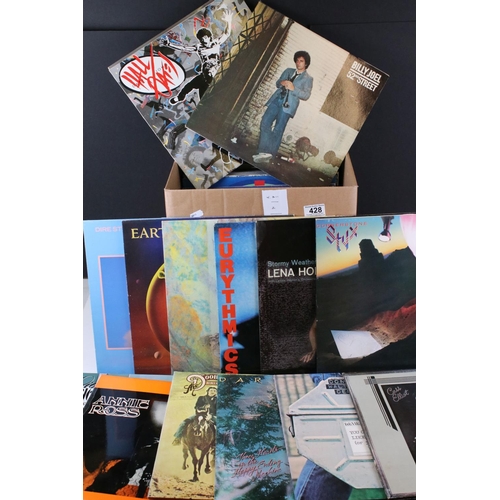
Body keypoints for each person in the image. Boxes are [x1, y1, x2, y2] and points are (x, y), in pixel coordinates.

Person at [253, 51, 313, 163]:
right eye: (297, 60)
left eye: (301, 61)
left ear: (306, 63)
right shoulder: (288, 71)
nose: (298, 63)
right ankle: (263, 151)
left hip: (288, 105)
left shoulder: (308, 78)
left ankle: (269, 154)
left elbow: (306, 95)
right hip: (277, 100)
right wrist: (282, 82)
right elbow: (277, 83)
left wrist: (293, 88)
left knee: (278, 129)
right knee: (265, 122)